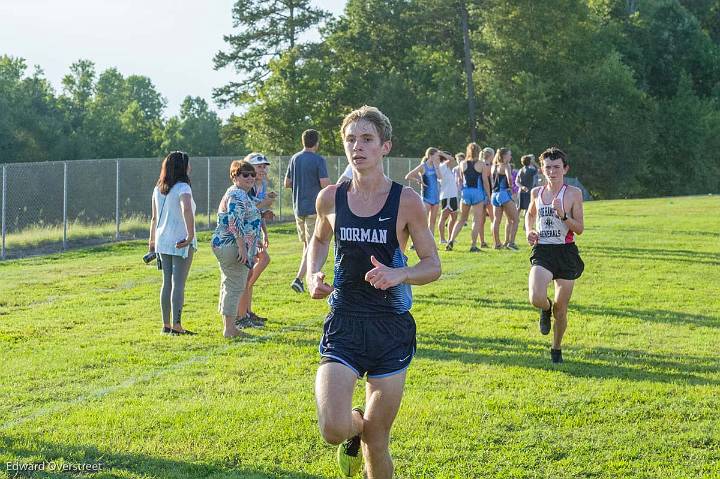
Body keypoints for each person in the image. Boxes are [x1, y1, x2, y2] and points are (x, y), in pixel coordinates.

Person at [308, 106, 441, 479]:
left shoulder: (407, 201)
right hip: (344, 324)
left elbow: (432, 264)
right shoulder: (330, 198)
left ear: (385, 146)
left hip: (390, 328)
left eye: (367, 139)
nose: (357, 147)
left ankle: (364, 435)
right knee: (334, 427)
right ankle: (354, 426)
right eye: (351, 139)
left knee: (377, 440)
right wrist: (312, 275)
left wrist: (401, 273)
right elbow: (318, 241)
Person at [526, 147, 584, 364]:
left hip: (565, 252)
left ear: (565, 169)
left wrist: (563, 215)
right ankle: (545, 308)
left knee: (562, 309)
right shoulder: (536, 193)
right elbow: (529, 215)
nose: (552, 172)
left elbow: (579, 228)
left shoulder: (573, 194)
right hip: (543, 251)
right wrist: (528, 231)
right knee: (536, 297)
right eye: (548, 167)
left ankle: (556, 348)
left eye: (556, 167)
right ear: (542, 169)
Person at [211, 160, 262, 338]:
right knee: (235, 285)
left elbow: (248, 219)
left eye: (252, 175)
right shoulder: (237, 194)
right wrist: (241, 246)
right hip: (231, 245)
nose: (250, 178)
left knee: (230, 284)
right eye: (244, 174)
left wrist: (256, 240)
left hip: (228, 245)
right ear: (235, 177)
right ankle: (230, 329)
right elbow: (235, 221)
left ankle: (229, 326)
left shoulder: (241, 194)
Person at [148, 151, 197, 335]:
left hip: (162, 240)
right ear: (182, 167)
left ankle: (166, 325)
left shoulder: (158, 188)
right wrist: (190, 235)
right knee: (179, 283)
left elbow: (154, 218)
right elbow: (186, 209)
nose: (190, 167)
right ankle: (177, 326)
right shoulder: (183, 187)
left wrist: (152, 241)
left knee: (166, 282)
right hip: (180, 240)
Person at [285, 129, 331, 294]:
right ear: (316, 142)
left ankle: (302, 280)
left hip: (299, 208)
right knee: (312, 246)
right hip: (314, 209)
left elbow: (287, 183)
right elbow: (325, 183)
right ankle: (299, 279)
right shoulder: (318, 160)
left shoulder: (294, 158)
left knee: (307, 245)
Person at [236, 152, 277, 328]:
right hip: (243, 236)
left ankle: (247, 311)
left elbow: (256, 213)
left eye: (263, 166)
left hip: (253, 234)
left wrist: (264, 232)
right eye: (258, 166)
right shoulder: (246, 187)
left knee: (250, 273)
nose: (262, 169)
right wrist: (265, 204)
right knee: (247, 275)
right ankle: (241, 313)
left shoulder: (261, 185)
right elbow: (248, 211)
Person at [446, 143, 491, 252]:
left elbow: (461, 180)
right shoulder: (481, 164)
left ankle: (451, 240)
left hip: (465, 192)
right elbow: (485, 181)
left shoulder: (462, 163)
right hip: (477, 193)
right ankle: (473, 245)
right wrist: (489, 195)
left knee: (462, 219)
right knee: (476, 220)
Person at [404, 148, 443, 239]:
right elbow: (408, 176)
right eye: (436, 155)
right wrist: (418, 180)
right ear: (430, 156)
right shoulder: (423, 166)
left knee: (432, 221)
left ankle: (431, 242)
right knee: (422, 222)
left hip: (436, 197)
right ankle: (416, 242)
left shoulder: (436, 166)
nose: (438, 157)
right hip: (426, 197)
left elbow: (440, 177)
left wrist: (437, 166)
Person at [490, 148, 520, 250]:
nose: (510, 157)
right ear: (504, 156)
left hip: (494, 194)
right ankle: (511, 243)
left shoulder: (494, 166)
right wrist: (511, 188)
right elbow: (509, 178)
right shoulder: (506, 166)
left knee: (496, 220)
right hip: (503, 193)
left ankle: (497, 243)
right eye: (509, 155)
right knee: (515, 219)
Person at [437, 151, 459, 244]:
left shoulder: (448, 168)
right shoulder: (442, 166)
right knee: (443, 217)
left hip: (453, 196)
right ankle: (442, 239)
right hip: (447, 196)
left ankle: (450, 238)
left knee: (454, 217)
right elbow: (452, 159)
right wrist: (441, 153)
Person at [515, 154, 539, 228]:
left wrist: (522, 187)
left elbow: (516, 181)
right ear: (530, 161)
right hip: (528, 192)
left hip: (520, 192)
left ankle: (514, 222)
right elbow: (540, 169)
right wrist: (534, 163)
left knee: (518, 208)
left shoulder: (521, 170)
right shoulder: (531, 170)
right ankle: (526, 226)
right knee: (528, 209)